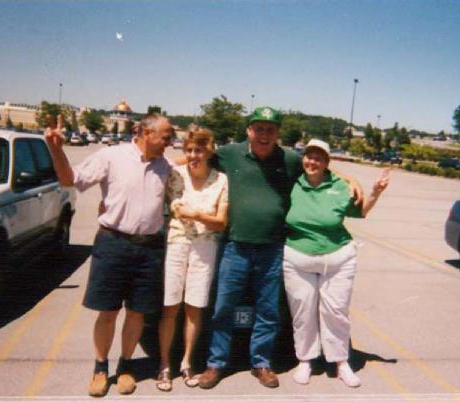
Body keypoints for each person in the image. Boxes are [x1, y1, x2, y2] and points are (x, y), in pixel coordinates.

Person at [197, 107, 363, 389]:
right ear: (249, 130)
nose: (264, 134)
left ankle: (261, 363)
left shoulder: (288, 158)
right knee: (223, 307)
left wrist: (350, 179)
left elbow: (318, 165)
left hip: (272, 249)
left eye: (270, 129)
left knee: (268, 310)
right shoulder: (230, 154)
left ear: (277, 133)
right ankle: (216, 363)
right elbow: (196, 157)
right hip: (235, 247)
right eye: (259, 128)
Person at [45, 114, 174, 397]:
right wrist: (56, 149)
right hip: (114, 244)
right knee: (108, 311)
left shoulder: (165, 166)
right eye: (166, 137)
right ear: (146, 133)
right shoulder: (111, 157)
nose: (170, 142)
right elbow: (69, 179)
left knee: (137, 313)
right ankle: (101, 368)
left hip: (150, 248)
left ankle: (126, 366)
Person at [282, 139, 389, 388]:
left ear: (327, 162)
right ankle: (305, 360)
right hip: (298, 258)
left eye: (319, 158)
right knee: (303, 311)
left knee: (336, 312)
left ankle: (341, 362)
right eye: (309, 156)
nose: (312, 161)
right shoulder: (292, 182)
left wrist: (376, 192)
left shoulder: (340, 186)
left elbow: (361, 211)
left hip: (338, 259)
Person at [156, 127, 228, 392]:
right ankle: (165, 364)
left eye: (198, 150)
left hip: (205, 247)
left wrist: (196, 215)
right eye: (188, 150)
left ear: (208, 151)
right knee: (170, 306)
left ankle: (187, 362)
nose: (193, 155)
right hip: (177, 243)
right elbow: (175, 208)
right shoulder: (175, 175)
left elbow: (220, 222)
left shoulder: (221, 180)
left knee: (194, 307)